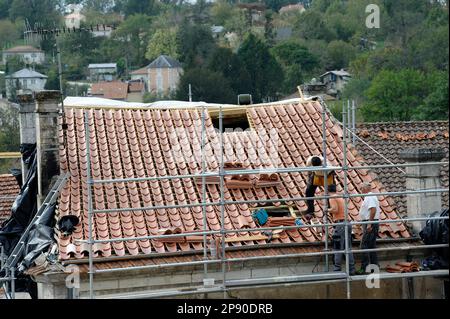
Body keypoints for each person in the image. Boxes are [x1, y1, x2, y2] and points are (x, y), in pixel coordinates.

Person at [328, 188, 356, 275]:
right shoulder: (340, 197)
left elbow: (335, 209)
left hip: (340, 224)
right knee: (348, 248)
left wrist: (326, 210)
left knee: (337, 247)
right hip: (347, 223)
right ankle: (351, 269)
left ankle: (337, 269)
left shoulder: (332, 197)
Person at [302, 155, 337, 220]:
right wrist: (309, 179)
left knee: (331, 195)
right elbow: (309, 171)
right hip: (316, 176)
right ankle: (310, 211)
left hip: (327, 176)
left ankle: (332, 213)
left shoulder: (327, 165)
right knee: (309, 192)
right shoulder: (309, 160)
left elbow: (332, 173)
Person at [357, 182, 381, 274]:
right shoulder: (371, 196)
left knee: (364, 245)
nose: (360, 190)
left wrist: (369, 224)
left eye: (361, 188)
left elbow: (373, 210)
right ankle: (374, 267)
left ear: (365, 188)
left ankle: (365, 268)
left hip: (370, 222)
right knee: (371, 246)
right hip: (370, 222)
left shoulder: (369, 196)